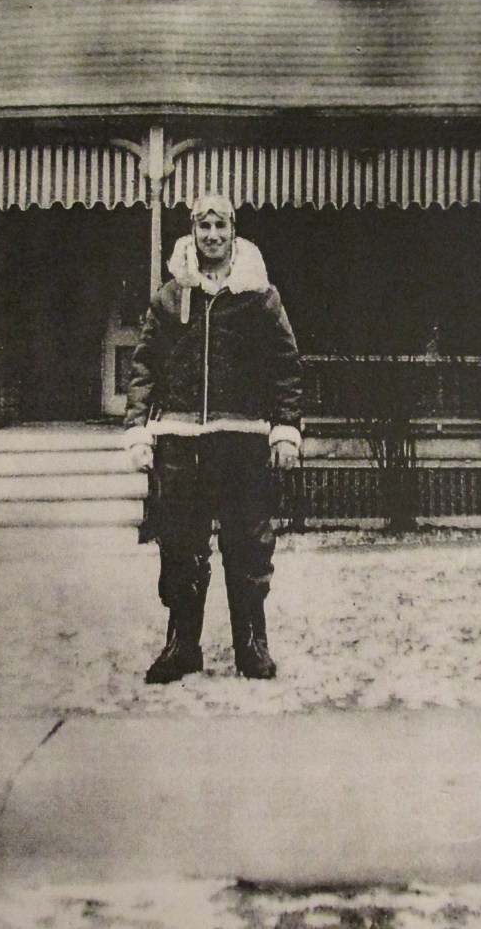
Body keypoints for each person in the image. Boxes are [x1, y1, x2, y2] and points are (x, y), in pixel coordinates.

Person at [124, 194, 302, 684]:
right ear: (193, 232)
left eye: (220, 226)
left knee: (249, 544)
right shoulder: (169, 296)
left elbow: (285, 366)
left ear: (233, 231)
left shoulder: (259, 295)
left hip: (242, 438)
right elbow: (144, 366)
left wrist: (285, 429)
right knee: (181, 544)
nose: (212, 236)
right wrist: (138, 428)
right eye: (204, 227)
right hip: (181, 440)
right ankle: (182, 644)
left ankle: (252, 644)